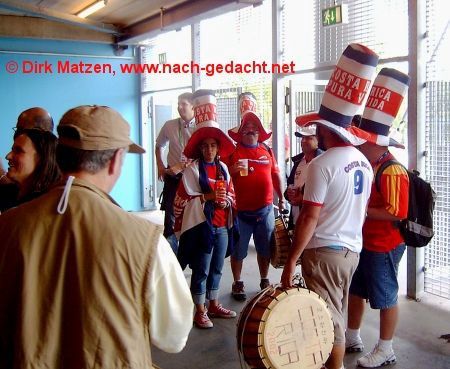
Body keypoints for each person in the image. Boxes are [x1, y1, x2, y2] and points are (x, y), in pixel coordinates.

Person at [0, 105, 194, 368]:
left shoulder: (9, 224)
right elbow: (174, 336)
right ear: (116, 160)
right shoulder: (145, 240)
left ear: (59, 155)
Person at [281, 43, 379, 369]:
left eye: (317, 128)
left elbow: (310, 217)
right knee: (335, 310)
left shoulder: (322, 165)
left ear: (325, 130)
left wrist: (291, 260)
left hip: (324, 252)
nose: (315, 132)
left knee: (327, 321)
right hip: (351, 252)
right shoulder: (363, 162)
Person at [346, 68, 411, 368]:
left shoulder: (392, 170)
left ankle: (386, 348)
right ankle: (352, 335)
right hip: (367, 242)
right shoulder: (372, 164)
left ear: (378, 142)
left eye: (364, 140)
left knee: (385, 295)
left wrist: (360, 209)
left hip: (384, 244)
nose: (359, 144)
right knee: (357, 289)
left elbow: (397, 212)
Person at [173, 89, 238, 329]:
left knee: (218, 268)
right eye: (205, 146)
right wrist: (208, 197)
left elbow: (231, 193)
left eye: (213, 145)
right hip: (202, 227)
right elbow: (184, 200)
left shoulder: (223, 168)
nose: (209, 149)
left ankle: (213, 303)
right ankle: (198, 309)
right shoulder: (192, 171)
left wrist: (225, 201)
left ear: (218, 148)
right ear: (200, 149)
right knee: (201, 268)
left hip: (221, 225)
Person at [225, 92, 285, 300]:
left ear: (260, 133)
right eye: (247, 128)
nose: (250, 131)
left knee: (264, 248)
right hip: (241, 213)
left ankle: (264, 279)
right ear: (241, 132)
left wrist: (282, 197)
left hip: (265, 210)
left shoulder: (267, 151)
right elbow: (221, 175)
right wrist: (231, 169)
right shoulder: (232, 153)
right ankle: (237, 282)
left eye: (254, 129)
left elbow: (276, 175)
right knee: (238, 250)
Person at [155, 92, 195, 253]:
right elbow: (159, 145)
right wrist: (160, 165)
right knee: (170, 219)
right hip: (172, 178)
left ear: (193, 106)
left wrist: (182, 166)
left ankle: (189, 255)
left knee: (191, 217)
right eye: (178, 104)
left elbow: (202, 153)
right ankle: (171, 259)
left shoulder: (201, 126)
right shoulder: (169, 125)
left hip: (192, 179)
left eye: (183, 104)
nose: (179, 107)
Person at [0, 128, 60, 212]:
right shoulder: (6, 193)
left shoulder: (46, 205)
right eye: (12, 150)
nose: (8, 156)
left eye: (18, 151)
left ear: (42, 160)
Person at [284, 125, 323, 230]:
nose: (303, 141)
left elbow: (325, 195)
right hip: (297, 220)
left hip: (315, 225)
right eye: (302, 138)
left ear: (318, 140)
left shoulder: (324, 163)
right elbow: (289, 186)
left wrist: (301, 200)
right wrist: (288, 193)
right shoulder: (298, 162)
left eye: (308, 138)